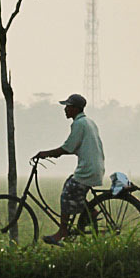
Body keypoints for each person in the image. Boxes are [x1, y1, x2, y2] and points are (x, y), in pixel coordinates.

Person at [33, 94, 105, 245]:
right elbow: (71, 147)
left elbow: (68, 147)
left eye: (68, 107)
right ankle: (90, 211)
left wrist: (46, 154)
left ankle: (63, 231)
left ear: (75, 109)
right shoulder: (88, 122)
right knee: (70, 185)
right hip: (94, 167)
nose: (65, 109)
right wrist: (53, 154)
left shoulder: (79, 124)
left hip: (87, 170)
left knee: (66, 195)